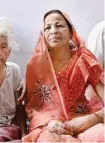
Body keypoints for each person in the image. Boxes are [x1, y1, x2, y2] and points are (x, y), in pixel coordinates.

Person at [23, 10, 104, 142]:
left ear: (71, 32)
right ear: (43, 35)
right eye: (48, 28)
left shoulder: (84, 59)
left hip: (83, 118)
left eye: (59, 25)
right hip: (50, 124)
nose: (53, 31)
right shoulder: (35, 65)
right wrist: (49, 123)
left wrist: (92, 119)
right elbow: (33, 107)